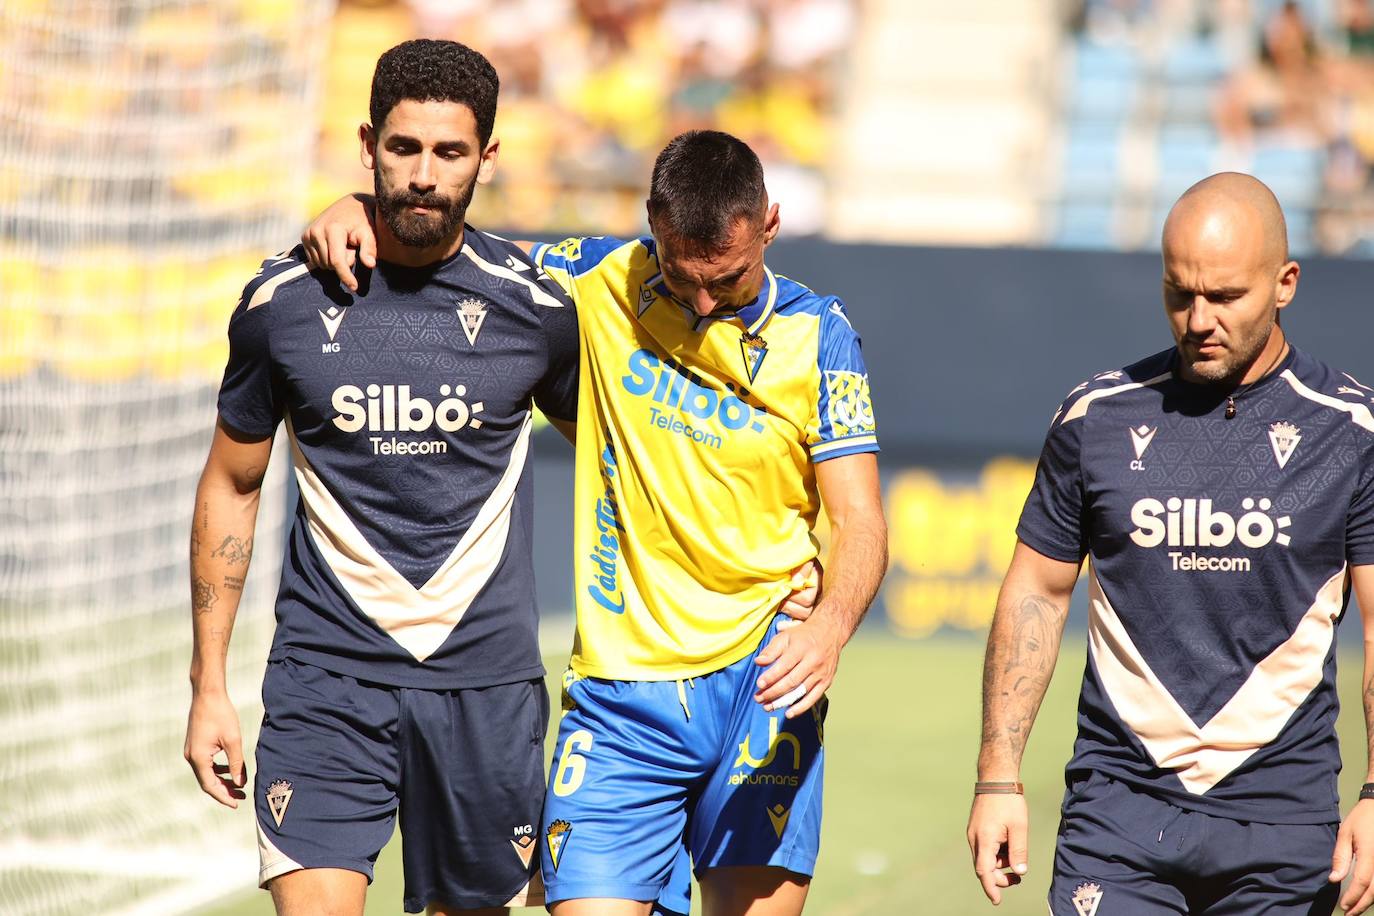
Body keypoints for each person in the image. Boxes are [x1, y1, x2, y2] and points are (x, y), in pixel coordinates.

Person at [302, 129, 889, 916]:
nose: (706, 304)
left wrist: (829, 630)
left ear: (770, 225)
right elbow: (460, 251)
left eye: (730, 279)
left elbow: (861, 520)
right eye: (686, 279)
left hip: (765, 676)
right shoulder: (599, 279)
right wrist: (365, 209)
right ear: (652, 226)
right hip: (620, 696)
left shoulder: (823, 338)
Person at [184, 39, 582, 916]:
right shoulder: (282, 304)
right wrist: (209, 684)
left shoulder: (540, 310)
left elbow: (632, 455)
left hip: (485, 686)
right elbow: (232, 485)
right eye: (404, 149)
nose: (425, 176)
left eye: (450, 152)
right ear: (369, 145)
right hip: (323, 681)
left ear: (488, 157)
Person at [966, 171, 1374, 915]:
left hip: (1284, 826)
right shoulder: (1096, 418)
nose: (1197, 320)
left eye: (1224, 297)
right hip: (1116, 819)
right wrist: (999, 775)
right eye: (1179, 293)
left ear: (1285, 283)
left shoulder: (1351, 433)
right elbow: (1037, 590)